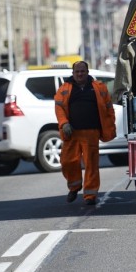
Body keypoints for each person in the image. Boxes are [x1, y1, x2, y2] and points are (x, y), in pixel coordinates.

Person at [54, 61, 116, 205]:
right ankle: (74, 187)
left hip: (91, 132)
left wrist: (109, 126)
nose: (80, 74)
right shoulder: (65, 88)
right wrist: (64, 124)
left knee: (91, 164)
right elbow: (59, 108)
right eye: (77, 72)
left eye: (82, 71)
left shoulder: (99, 88)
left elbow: (109, 109)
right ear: (73, 73)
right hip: (72, 133)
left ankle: (90, 195)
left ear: (88, 72)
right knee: (68, 162)